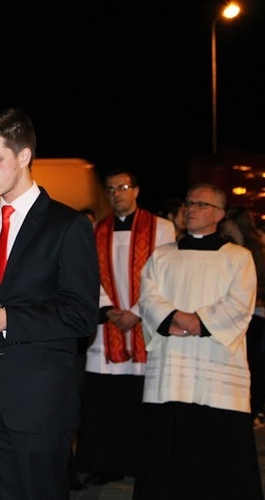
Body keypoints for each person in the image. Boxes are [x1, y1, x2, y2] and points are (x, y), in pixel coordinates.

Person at [0, 107, 99, 500]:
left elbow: (81, 315)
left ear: (24, 156)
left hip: (40, 400)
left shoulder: (67, 225)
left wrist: (10, 318)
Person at [134, 183, 264, 500]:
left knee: (218, 447)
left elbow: (239, 304)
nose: (190, 210)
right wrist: (175, 318)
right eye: (188, 204)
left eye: (200, 205)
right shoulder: (162, 256)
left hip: (217, 363)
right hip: (171, 368)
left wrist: (196, 322)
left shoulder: (238, 257)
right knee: (168, 444)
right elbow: (148, 298)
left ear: (219, 214)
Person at [74, 169, 176, 486]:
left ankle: (144, 461)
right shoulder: (96, 230)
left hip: (145, 324)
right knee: (106, 403)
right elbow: (90, 276)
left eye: (124, 187)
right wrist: (109, 310)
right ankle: (107, 463)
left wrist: (135, 312)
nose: (117, 193)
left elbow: (164, 276)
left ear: (136, 190)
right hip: (108, 329)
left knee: (140, 401)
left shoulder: (162, 228)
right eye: (111, 189)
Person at [226, 206, 265, 428]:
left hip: (255, 311)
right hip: (250, 310)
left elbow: (258, 280)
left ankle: (255, 409)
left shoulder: (251, 248)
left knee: (253, 362)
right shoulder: (244, 245)